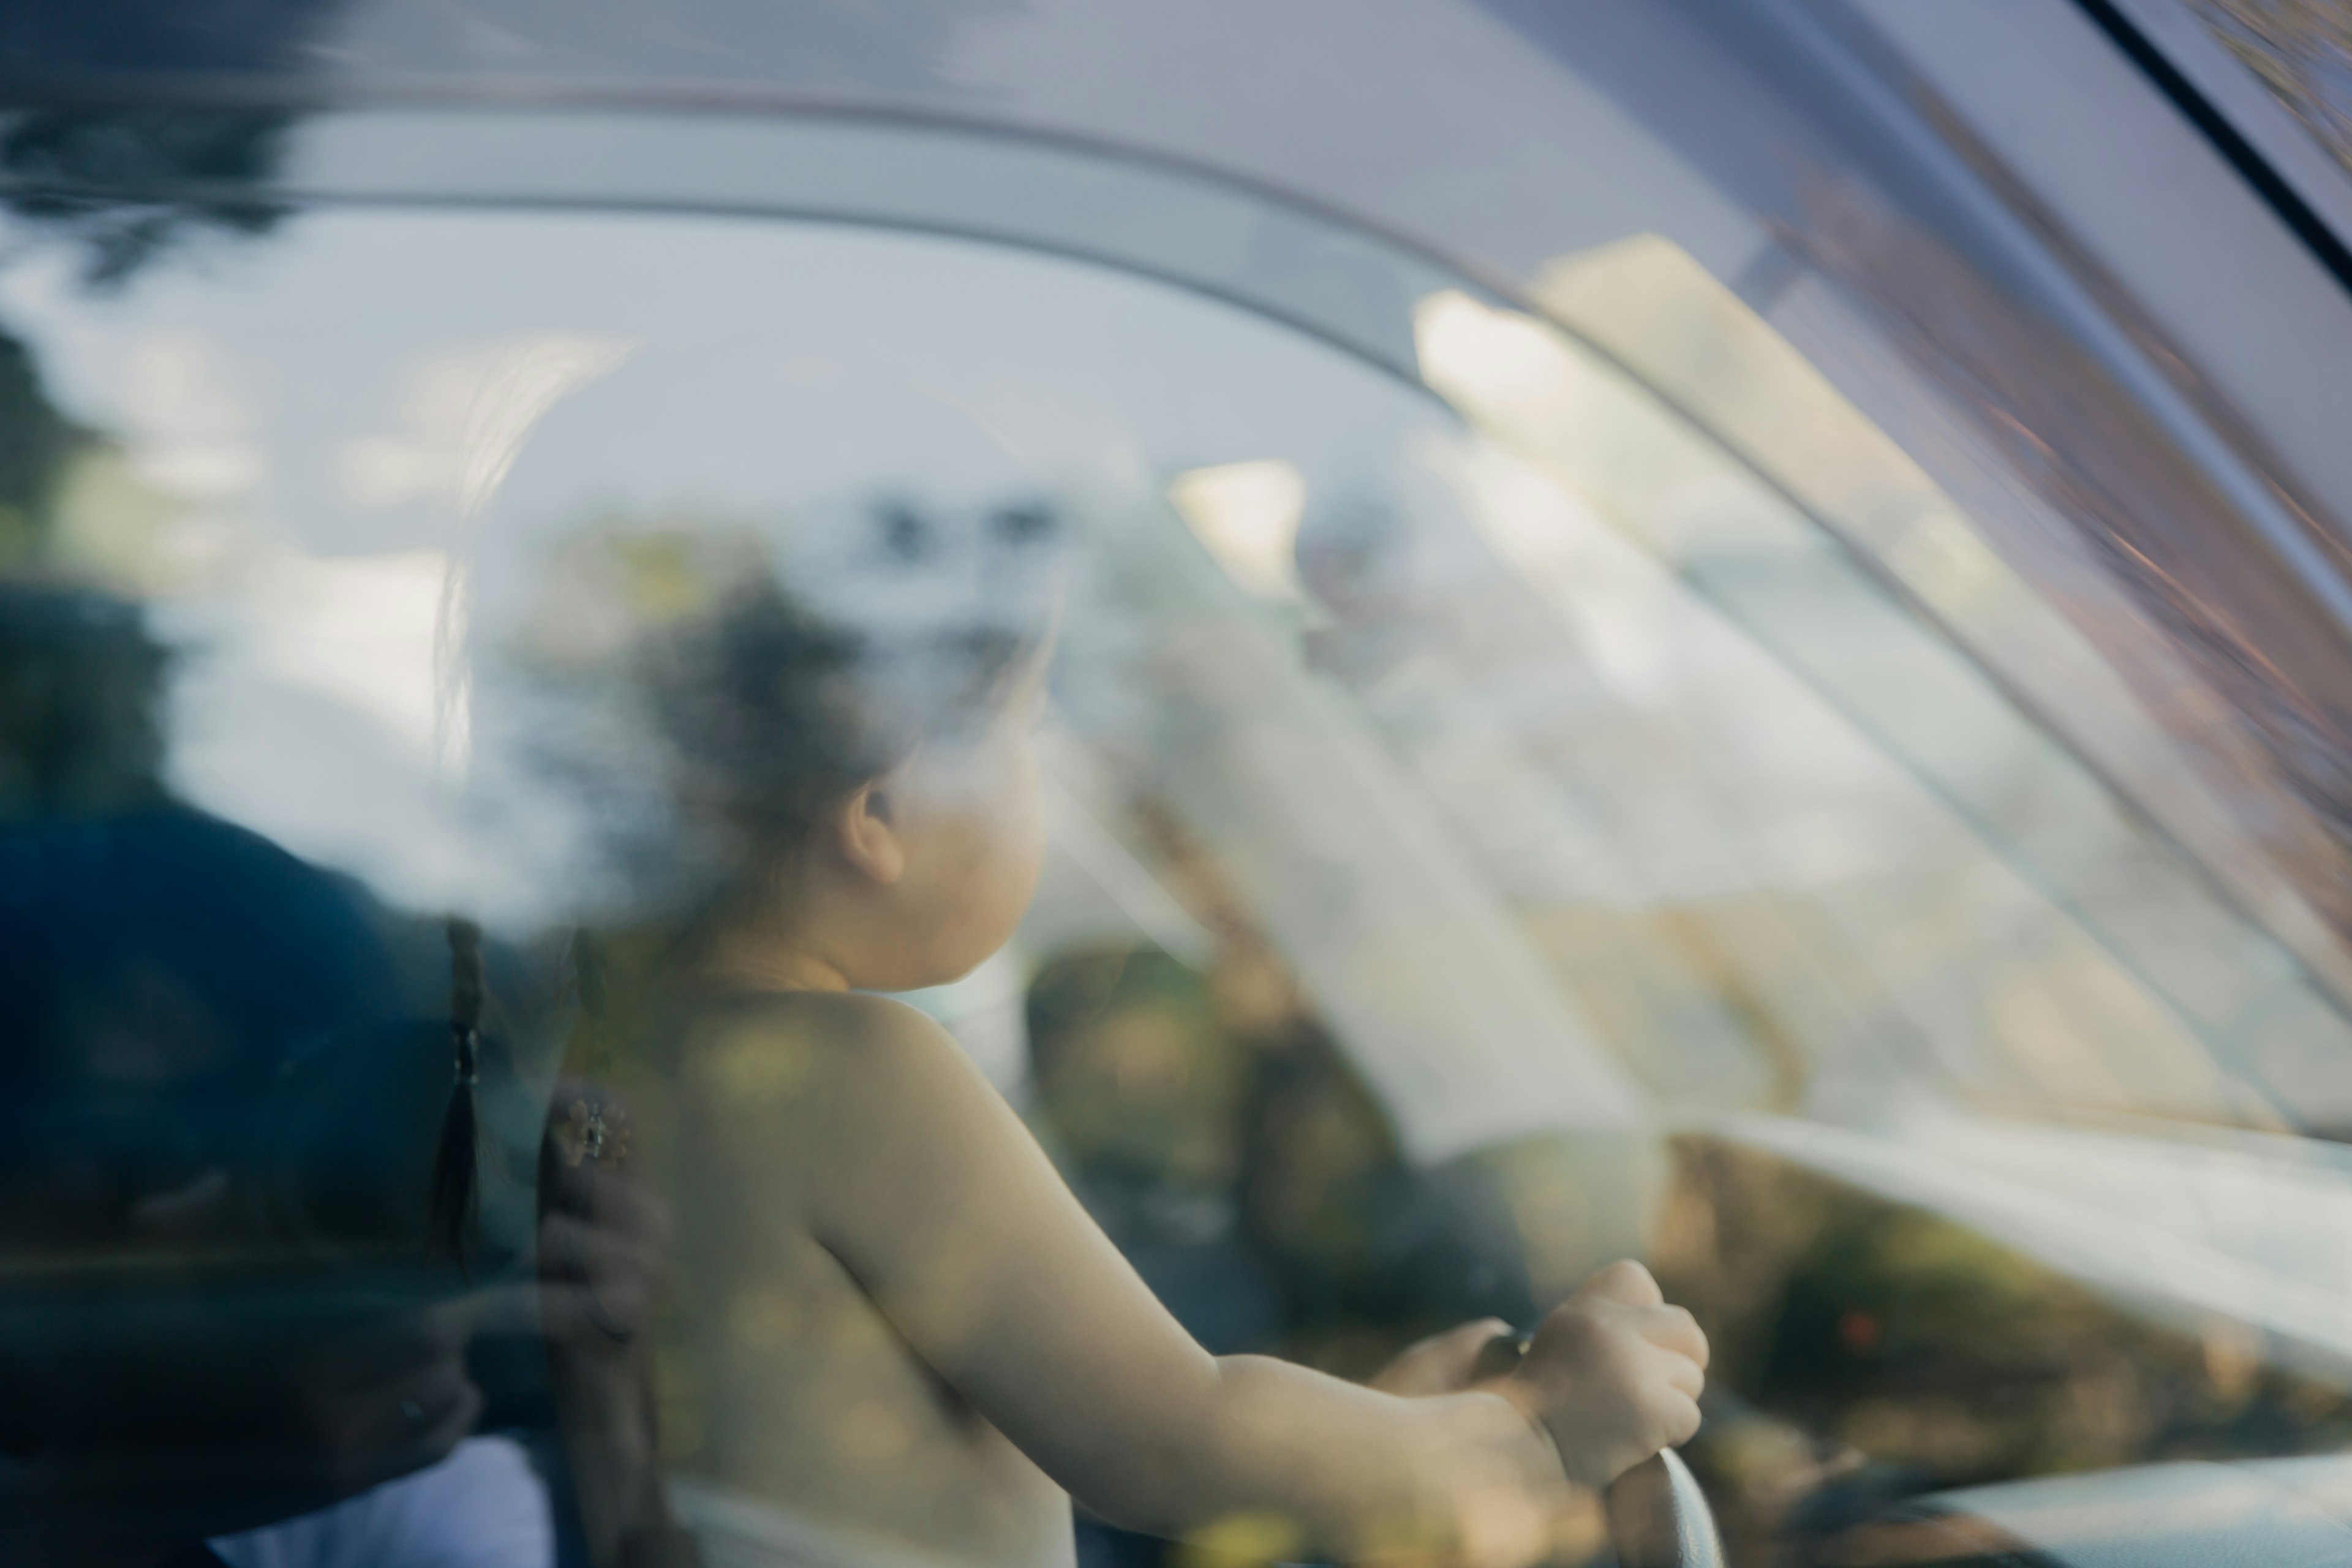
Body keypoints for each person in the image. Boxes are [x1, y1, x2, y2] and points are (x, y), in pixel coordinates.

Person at [484, 484, 1708, 1568]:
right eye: (1026, 726)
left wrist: (1389, 1434)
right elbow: (1173, 1436)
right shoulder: (845, 1065)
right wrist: (1536, 1430)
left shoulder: (611, 1058)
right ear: (886, 806)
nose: (1044, 777)